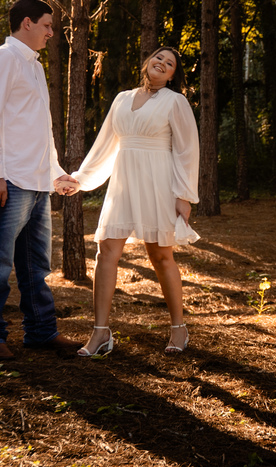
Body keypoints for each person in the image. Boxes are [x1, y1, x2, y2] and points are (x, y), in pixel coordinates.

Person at [62, 46, 200, 357]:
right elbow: (106, 144)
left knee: (161, 256)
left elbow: (187, 151)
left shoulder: (175, 102)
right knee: (106, 249)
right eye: (158, 58)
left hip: (159, 183)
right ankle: (101, 333)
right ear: (147, 62)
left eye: (169, 64)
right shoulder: (122, 98)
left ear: (173, 74)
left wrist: (184, 196)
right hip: (123, 183)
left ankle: (179, 328)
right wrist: (81, 178)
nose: (162, 64)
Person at [0, 0, 82, 360]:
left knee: (36, 266)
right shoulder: (4, 58)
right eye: (47, 25)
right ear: (27, 23)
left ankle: (40, 332)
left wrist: (55, 173)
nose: (52, 33)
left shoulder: (33, 66)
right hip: (10, 180)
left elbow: (41, 129)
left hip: (36, 182)